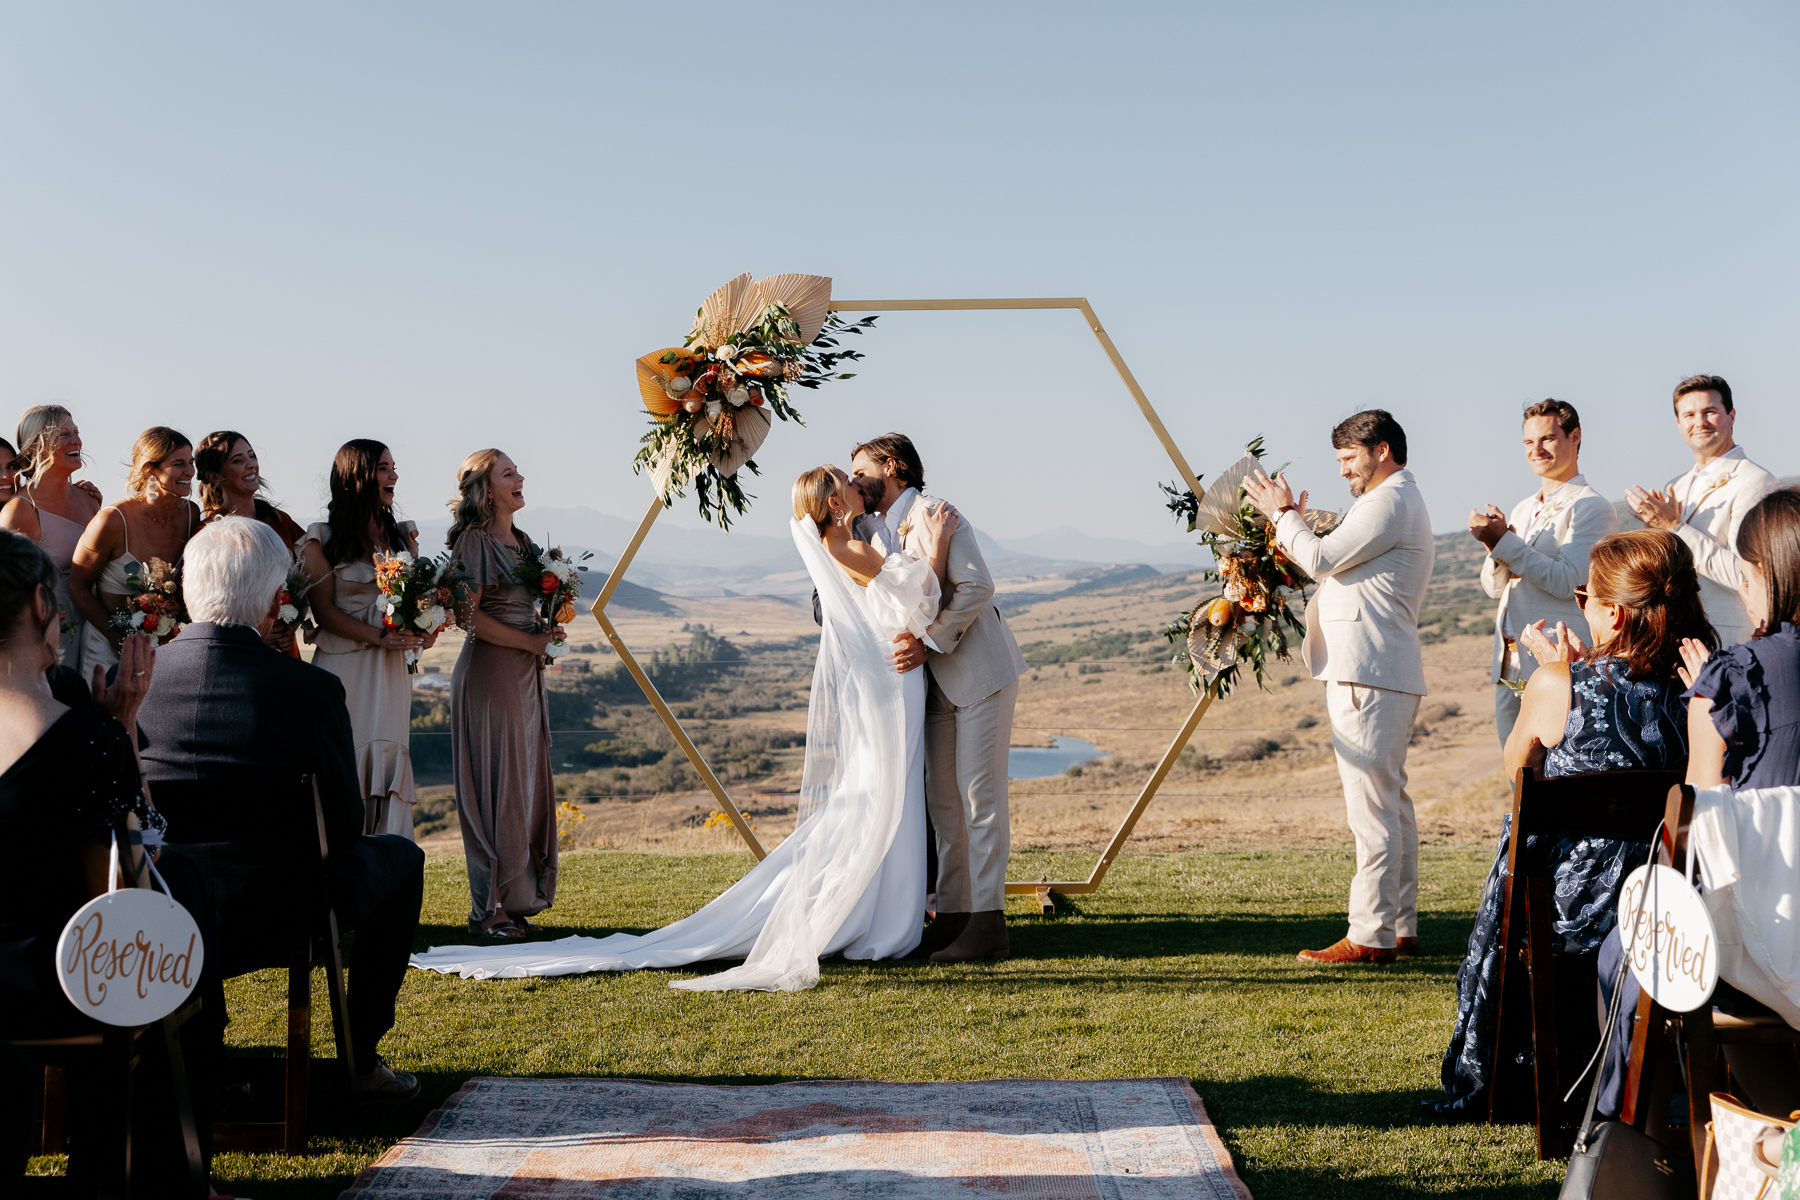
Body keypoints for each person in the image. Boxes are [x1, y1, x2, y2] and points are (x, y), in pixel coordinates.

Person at [411, 464, 958, 989]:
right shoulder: (848, 546)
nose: (860, 485)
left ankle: (883, 905)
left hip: (890, 678)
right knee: (883, 792)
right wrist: (935, 546)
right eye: (848, 481)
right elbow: (923, 596)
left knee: (885, 793)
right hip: (892, 680)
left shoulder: (848, 542)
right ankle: (878, 914)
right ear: (836, 503)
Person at [1428, 528, 1713, 1119]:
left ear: (1611, 610)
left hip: (1567, 900)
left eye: (1585, 598)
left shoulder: (1561, 682)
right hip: (1664, 888)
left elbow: (1519, 770)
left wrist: (1557, 675)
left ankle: (1500, 1070)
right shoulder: (1702, 689)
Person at [138, 516, 425, 1102]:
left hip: (167, 906)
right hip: (284, 913)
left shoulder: (137, 683)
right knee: (402, 858)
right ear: (275, 601)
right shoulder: (309, 691)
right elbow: (345, 830)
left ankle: (201, 1055)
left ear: (188, 590)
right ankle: (362, 1057)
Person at [0, 529, 222, 1188]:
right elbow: (141, 849)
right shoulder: (86, 737)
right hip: (55, 989)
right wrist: (122, 725)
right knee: (171, 917)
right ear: (42, 605)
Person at [1592, 488, 1800, 1118]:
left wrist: (1710, 694)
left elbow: (1696, 820)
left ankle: (1631, 1124)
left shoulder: (1735, 674)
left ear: (1766, 574)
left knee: (1623, 949)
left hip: (1769, 925)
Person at [1244, 409, 1434, 964]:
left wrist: (1282, 516)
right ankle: (1399, 926)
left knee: (1371, 809)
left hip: (1367, 670)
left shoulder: (1388, 500)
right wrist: (1292, 525)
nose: (1344, 471)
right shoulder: (1395, 501)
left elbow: (1322, 557)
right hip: (1381, 668)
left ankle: (1369, 935)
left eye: (1349, 458)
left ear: (1381, 451)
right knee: (1391, 803)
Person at [851, 433, 1026, 963]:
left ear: (893, 466)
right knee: (945, 806)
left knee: (979, 800)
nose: (853, 479)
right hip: (928, 688)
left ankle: (988, 924)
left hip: (977, 675)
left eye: (860, 469)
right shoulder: (867, 529)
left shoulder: (937, 512)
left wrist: (928, 644)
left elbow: (976, 587)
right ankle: (952, 919)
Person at [446, 449, 564, 938]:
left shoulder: (524, 541)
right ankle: (488, 908)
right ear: (485, 488)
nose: (520, 478)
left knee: (524, 783)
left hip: (523, 672)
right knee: (495, 785)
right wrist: (530, 641)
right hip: (490, 674)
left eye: (517, 471)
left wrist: (545, 627)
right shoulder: (474, 543)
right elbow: (467, 617)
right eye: (508, 473)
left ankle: (516, 902)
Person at [301, 440, 429, 839]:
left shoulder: (403, 537)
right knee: (343, 761)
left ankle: (387, 862)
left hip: (392, 672)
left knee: (389, 758)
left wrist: (424, 624)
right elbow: (324, 612)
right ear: (357, 477)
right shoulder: (322, 539)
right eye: (383, 468)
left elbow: (413, 601)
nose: (393, 476)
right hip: (345, 669)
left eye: (393, 467)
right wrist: (379, 637)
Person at [1470, 399, 1616, 744]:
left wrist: (1505, 542)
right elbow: (1494, 589)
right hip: (1510, 661)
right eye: (1527, 442)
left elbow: (1568, 582)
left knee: (1556, 766)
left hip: (1556, 662)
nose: (1536, 450)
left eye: (1547, 439)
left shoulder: (1592, 506)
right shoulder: (1522, 507)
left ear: (1574, 437)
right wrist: (1496, 547)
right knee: (1516, 772)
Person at [1625, 375, 1777, 646]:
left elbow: (1746, 576)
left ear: (1731, 416)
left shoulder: (1755, 481)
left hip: (1730, 637)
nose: (1700, 422)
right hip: (1675, 637)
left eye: (1710, 412)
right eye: (1689, 415)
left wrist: (1674, 527)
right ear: (1678, 424)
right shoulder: (1676, 485)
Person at [69, 426, 198, 674]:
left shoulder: (192, 514)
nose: (190, 472)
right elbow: (78, 586)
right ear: (150, 469)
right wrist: (118, 639)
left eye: (191, 462)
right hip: (107, 649)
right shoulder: (112, 521)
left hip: (161, 648)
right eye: (179, 464)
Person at [0, 406, 104, 670]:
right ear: (36, 446)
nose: (76, 441)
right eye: (64, 434)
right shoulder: (19, 511)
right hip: (53, 634)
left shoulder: (89, 500)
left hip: (98, 630)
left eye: (76, 432)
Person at [197, 430, 307, 656]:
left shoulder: (280, 521)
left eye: (252, 456)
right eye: (238, 460)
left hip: (285, 652)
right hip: (235, 653)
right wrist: (254, 636)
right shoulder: (207, 532)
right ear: (215, 476)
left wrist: (291, 627)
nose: (251, 465)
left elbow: (308, 578)